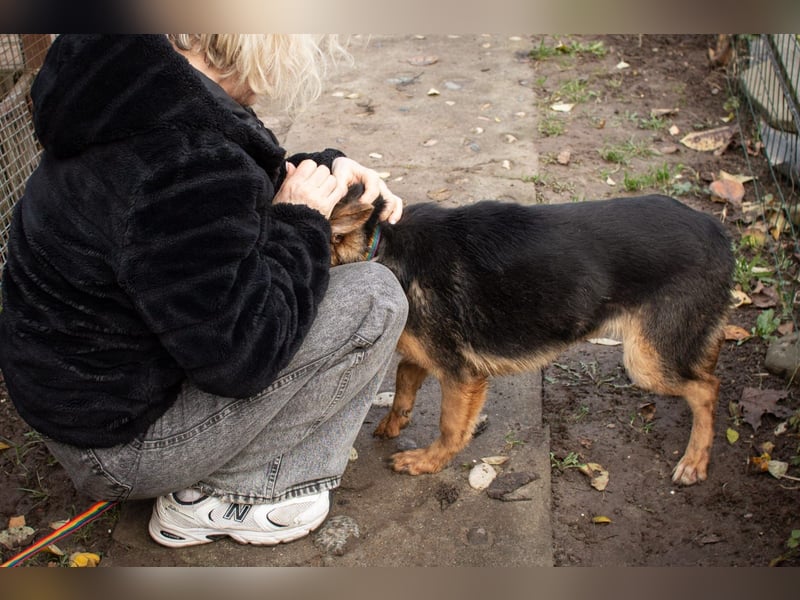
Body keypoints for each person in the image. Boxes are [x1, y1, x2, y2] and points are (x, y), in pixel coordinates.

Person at [0, 34, 409, 548]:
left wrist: (326, 172)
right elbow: (242, 358)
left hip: (79, 404)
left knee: (335, 289)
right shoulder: (181, 160)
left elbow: (218, 214)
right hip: (119, 449)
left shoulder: (130, 88)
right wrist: (301, 218)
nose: (276, 78)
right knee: (373, 298)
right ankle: (228, 497)